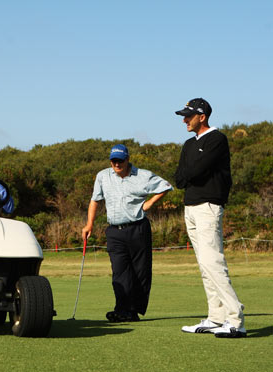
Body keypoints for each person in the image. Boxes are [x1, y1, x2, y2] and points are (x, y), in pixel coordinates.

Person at [174, 98, 246, 338]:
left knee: (213, 262)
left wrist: (191, 173)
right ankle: (216, 317)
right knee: (204, 265)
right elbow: (180, 178)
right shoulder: (188, 143)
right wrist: (190, 173)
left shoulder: (217, 139)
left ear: (202, 116)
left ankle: (235, 318)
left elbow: (194, 171)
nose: (184, 120)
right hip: (190, 207)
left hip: (209, 206)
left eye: (188, 116)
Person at [82, 144, 172, 322]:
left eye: (120, 161)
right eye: (114, 161)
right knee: (119, 272)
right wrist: (89, 224)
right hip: (114, 231)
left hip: (137, 228)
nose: (117, 164)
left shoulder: (143, 176)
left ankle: (133, 310)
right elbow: (95, 200)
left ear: (127, 159)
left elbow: (166, 186)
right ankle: (121, 309)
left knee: (140, 271)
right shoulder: (103, 176)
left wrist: (149, 203)